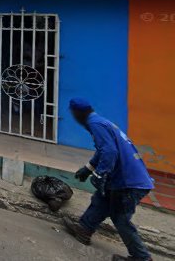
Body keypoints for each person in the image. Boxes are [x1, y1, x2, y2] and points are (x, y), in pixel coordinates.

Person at [63, 98, 154, 261]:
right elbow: (103, 150)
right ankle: (84, 229)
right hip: (126, 178)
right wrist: (89, 168)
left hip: (129, 182)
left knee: (120, 217)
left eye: (73, 114)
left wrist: (100, 174)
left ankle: (141, 257)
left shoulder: (95, 124)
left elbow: (110, 152)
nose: (74, 118)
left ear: (78, 113)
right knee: (101, 199)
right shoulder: (100, 121)